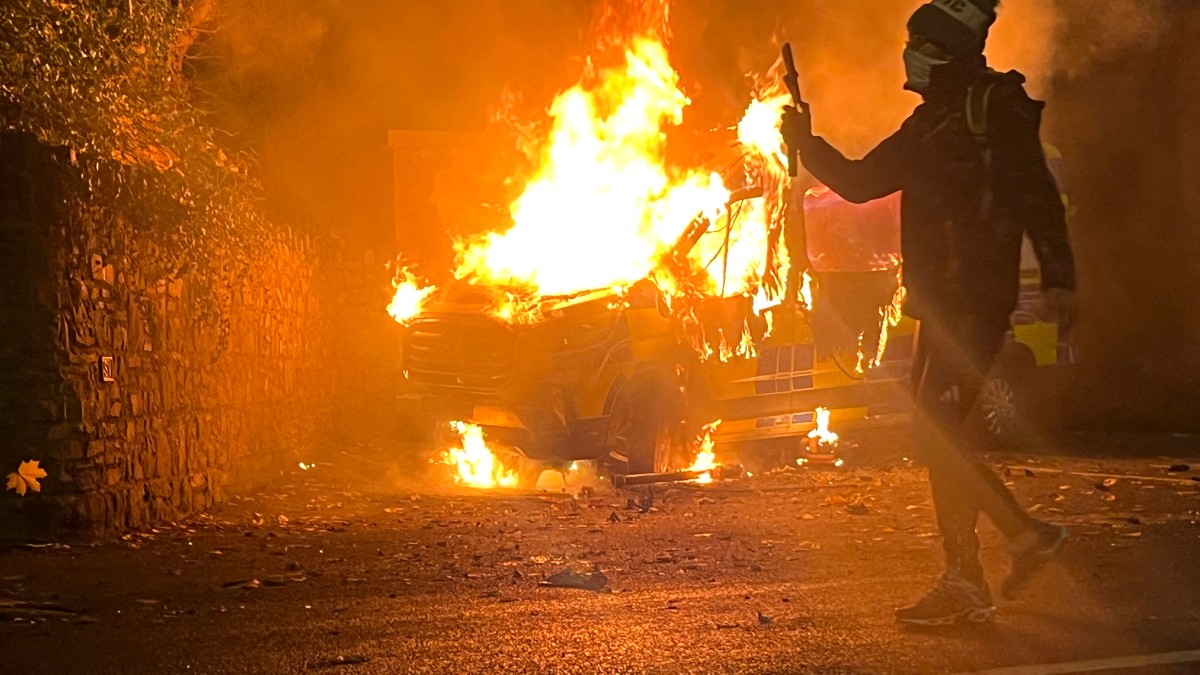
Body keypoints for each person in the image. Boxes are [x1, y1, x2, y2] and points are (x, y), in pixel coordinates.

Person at [781, 0, 1076, 626]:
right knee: (932, 436)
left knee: (937, 435)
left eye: (918, 42)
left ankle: (1003, 552)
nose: (907, 53)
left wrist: (1060, 281)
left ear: (944, 53)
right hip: (941, 304)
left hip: (973, 303)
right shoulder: (931, 123)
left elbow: (1037, 196)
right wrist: (807, 144)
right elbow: (860, 182)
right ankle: (981, 565)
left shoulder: (991, 112)